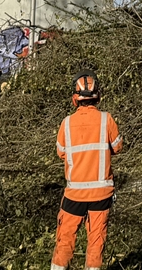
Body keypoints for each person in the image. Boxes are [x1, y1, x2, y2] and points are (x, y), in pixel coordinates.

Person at [51, 69, 122, 270]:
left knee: (65, 239)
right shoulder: (106, 120)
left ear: (75, 96)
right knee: (96, 241)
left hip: (74, 194)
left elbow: (61, 153)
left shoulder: (66, 124)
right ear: (97, 95)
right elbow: (117, 147)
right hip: (101, 193)